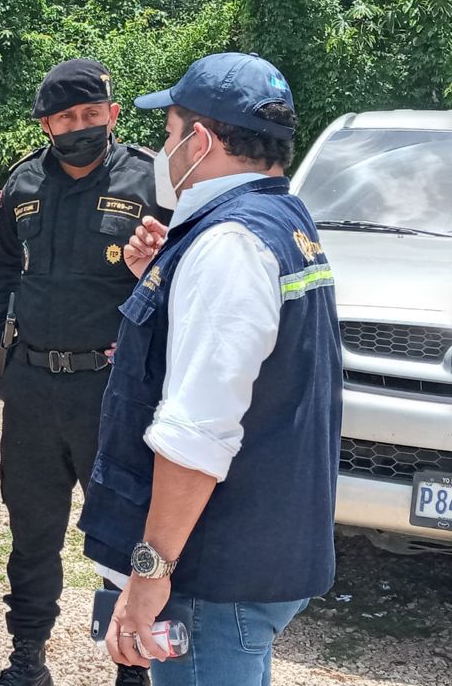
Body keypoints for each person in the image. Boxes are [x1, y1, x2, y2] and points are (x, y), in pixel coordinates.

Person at [78, 52, 343, 686]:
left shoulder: (228, 245)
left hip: (213, 571)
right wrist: (162, 279)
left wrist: (151, 572)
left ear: (199, 141)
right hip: (260, 549)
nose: (162, 150)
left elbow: (198, 433)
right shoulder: (282, 220)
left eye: (169, 132)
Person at [0, 59, 169, 686]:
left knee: (124, 532)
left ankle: (132, 669)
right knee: (32, 531)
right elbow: (0, 265)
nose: (80, 126)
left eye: (92, 114)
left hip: (112, 390)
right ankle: (26, 658)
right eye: (66, 118)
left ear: (112, 113)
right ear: (46, 124)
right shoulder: (24, 181)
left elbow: (180, 278)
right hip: (31, 385)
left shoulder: (150, 180)